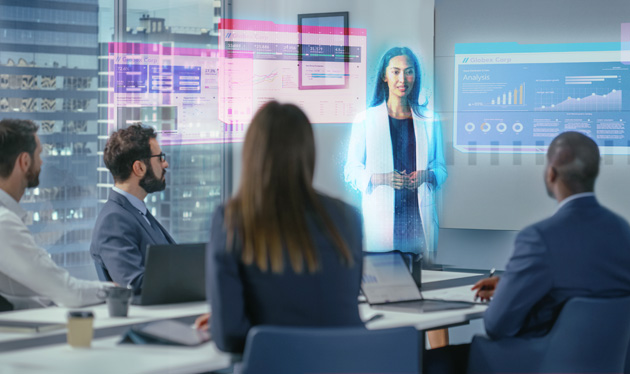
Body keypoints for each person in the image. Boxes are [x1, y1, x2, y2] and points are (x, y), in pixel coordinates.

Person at [425, 131, 630, 374]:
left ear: (551, 173)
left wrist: (512, 292)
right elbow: (585, 286)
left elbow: (496, 326)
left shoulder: (540, 237)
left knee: (430, 363)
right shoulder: (623, 232)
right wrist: (514, 284)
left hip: (539, 363)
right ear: (594, 172)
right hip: (602, 364)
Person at [206, 101, 364, 353]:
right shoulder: (347, 217)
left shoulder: (233, 218)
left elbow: (229, 336)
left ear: (251, 154)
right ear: (308, 152)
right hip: (349, 363)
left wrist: (219, 324)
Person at [345, 46, 447, 255]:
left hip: (418, 220)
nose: (403, 79)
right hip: (381, 221)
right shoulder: (365, 120)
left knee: (423, 280)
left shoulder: (430, 120)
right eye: (396, 71)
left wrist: (426, 175)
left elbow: (441, 168)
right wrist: (381, 179)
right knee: (385, 281)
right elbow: (351, 170)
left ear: (415, 76)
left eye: (409, 71)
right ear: (384, 75)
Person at [0, 119, 111, 310]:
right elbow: (70, 293)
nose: (42, 162)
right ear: (24, 161)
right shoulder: (4, 223)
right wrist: (117, 291)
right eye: (39, 154)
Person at [90, 124, 175, 292]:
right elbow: (135, 284)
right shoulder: (113, 221)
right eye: (160, 158)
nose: (165, 164)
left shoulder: (136, 212)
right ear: (139, 168)